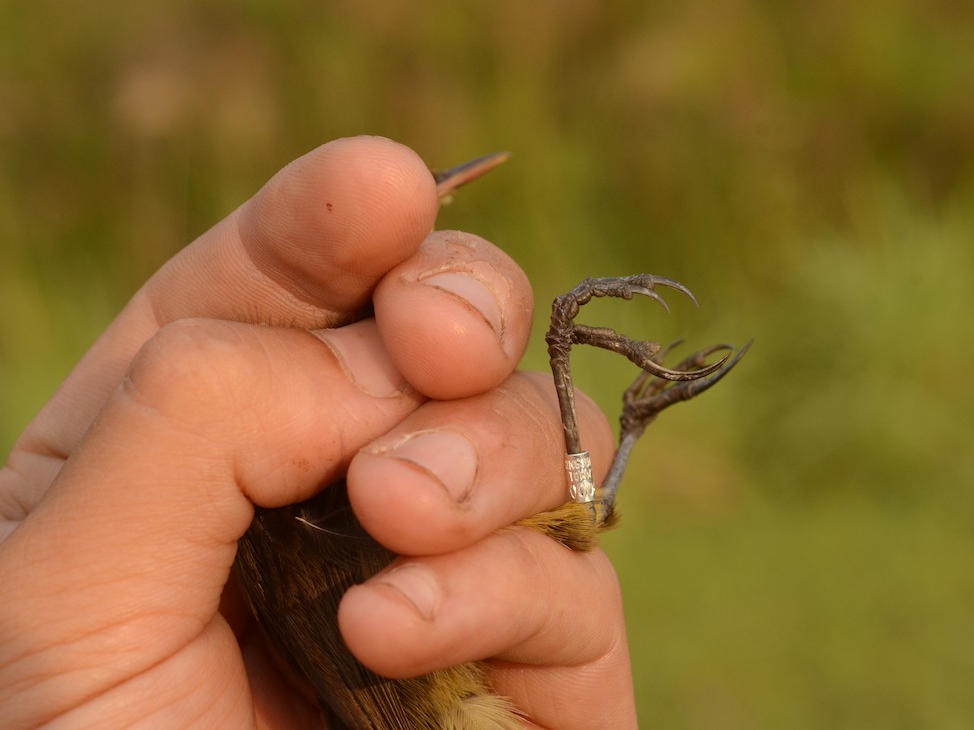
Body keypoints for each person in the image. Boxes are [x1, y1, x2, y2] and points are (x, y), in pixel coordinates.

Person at [0, 137, 636, 728]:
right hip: (412, 698)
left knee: (567, 509)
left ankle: (598, 459)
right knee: (568, 511)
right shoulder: (263, 442)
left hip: (409, 689)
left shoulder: (286, 425)